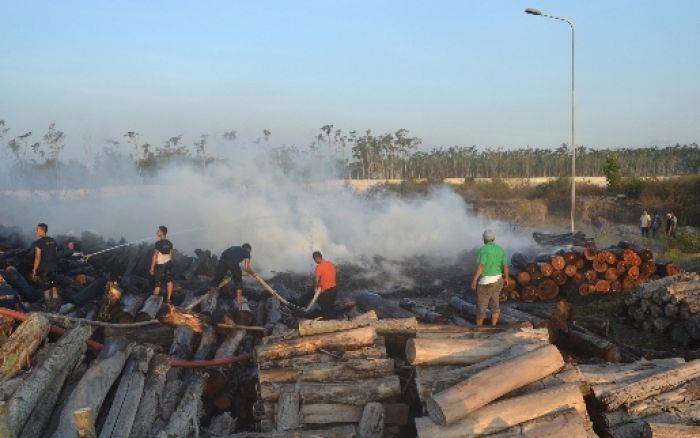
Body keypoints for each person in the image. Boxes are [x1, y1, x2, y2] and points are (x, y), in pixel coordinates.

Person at [470, 229, 510, 326]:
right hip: (498, 281)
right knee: (495, 305)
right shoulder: (501, 249)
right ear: (494, 239)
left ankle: (479, 331)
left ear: (484, 239)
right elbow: (505, 266)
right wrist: (507, 278)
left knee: (481, 308)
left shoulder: (483, 249)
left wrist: (475, 280)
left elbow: (481, 266)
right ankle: (493, 327)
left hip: (486, 283)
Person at [298, 251, 337, 318]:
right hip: (334, 289)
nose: (314, 261)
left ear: (316, 258)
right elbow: (333, 274)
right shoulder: (330, 264)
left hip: (326, 291)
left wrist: (315, 287)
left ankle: (300, 305)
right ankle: (331, 316)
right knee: (329, 308)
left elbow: (316, 280)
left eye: (314, 259)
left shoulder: (319, 267)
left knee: (325, 309)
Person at [31, 222, 60, 310]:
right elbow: (56, 253)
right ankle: (56, 304)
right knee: (53, 285)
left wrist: (34, 270)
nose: (36, 232)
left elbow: (37, 257)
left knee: (46, 287)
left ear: (41, 230)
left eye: (37, 230)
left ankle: (48, 306)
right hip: (54, 267)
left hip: (44, 269)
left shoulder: (38, 243)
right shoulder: (53, 240)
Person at [150, 225, 174, 303]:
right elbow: (170, 255)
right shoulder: (170, 243)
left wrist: (152, 268)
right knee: (169, 281)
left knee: (158, 282)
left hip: (160, 265)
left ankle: (153, 301)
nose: (157, 232)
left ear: (162, 233)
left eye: (158, 231)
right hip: (169, 263)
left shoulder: (158, 243)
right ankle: (168, 299)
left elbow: (155, 255)